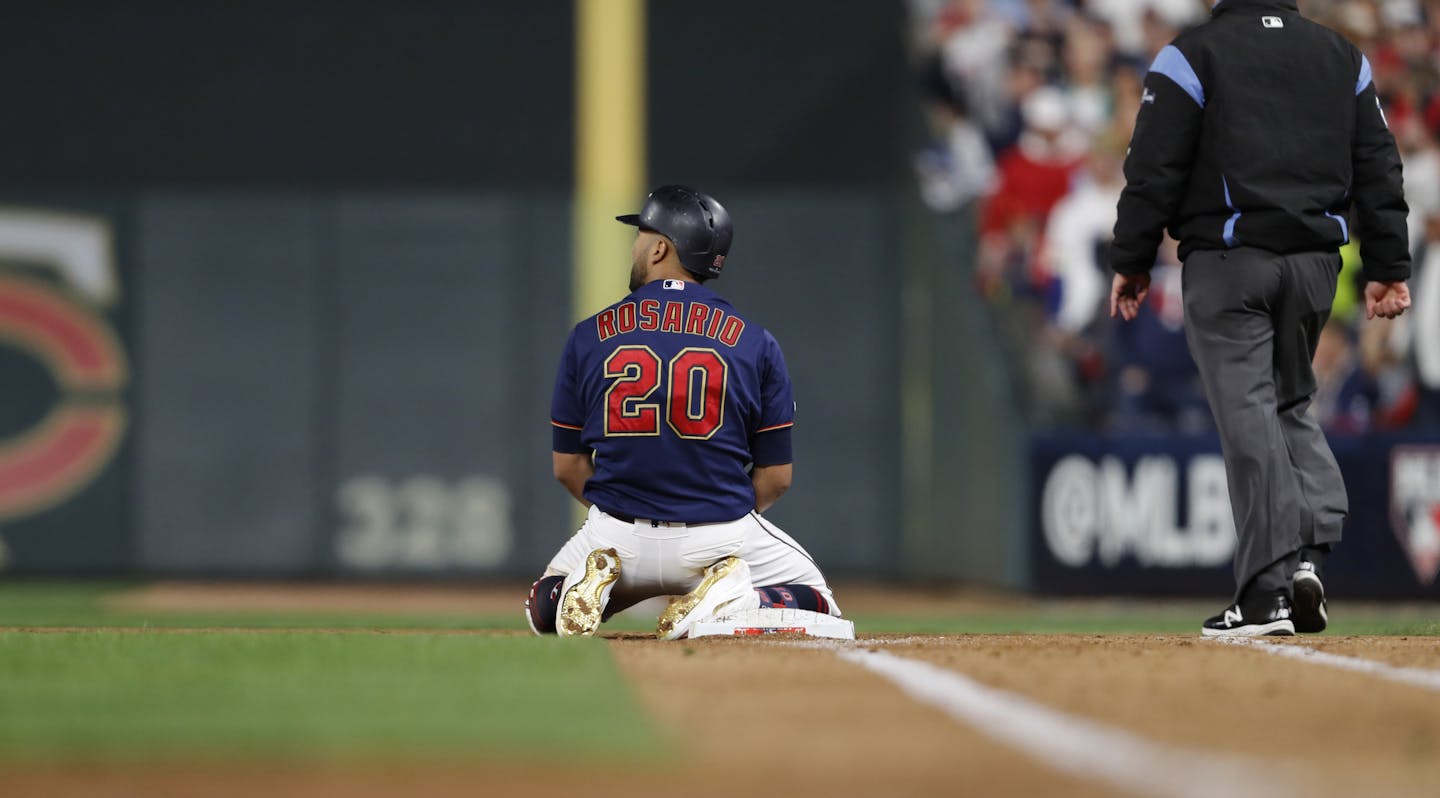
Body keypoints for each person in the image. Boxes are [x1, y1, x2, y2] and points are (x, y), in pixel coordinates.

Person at [1108, 0, 1413, 636]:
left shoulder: (1193, 53)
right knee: (1290, 403)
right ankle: (1307, 555)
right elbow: (1380, 166)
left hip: (1229, 262)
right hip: (1316, 265)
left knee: (1248, 409)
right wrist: (1388, 262)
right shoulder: (1342, 56)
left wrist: (1133, 259)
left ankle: (1265, 591)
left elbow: (1152, 168)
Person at [526, 185, 841, 639]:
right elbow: (777, 477)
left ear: (659, 248)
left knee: (544, 605)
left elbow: (567, 466)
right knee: (819, 602)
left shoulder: (588, 335)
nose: (635, 245)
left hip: (617, 535)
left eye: (642, 234)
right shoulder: (755, 341)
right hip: (719, 535)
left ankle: (591, 586)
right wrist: (706, 517)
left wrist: (632, 524)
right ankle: (739, 596)